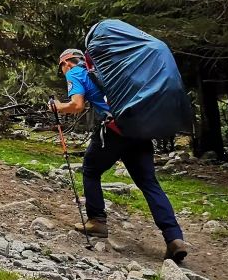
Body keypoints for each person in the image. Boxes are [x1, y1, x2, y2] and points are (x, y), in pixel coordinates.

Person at [52, 48, 189, 263]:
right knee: (148, 183)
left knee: (91, 170)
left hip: (113, 131)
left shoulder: (74, 72)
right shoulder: (107, 69)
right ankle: (174, 237)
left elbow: (76, 105)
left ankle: (97, 221)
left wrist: (58, 106)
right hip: (139, 128)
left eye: (62, 68)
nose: (64, 72)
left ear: (66, 63)